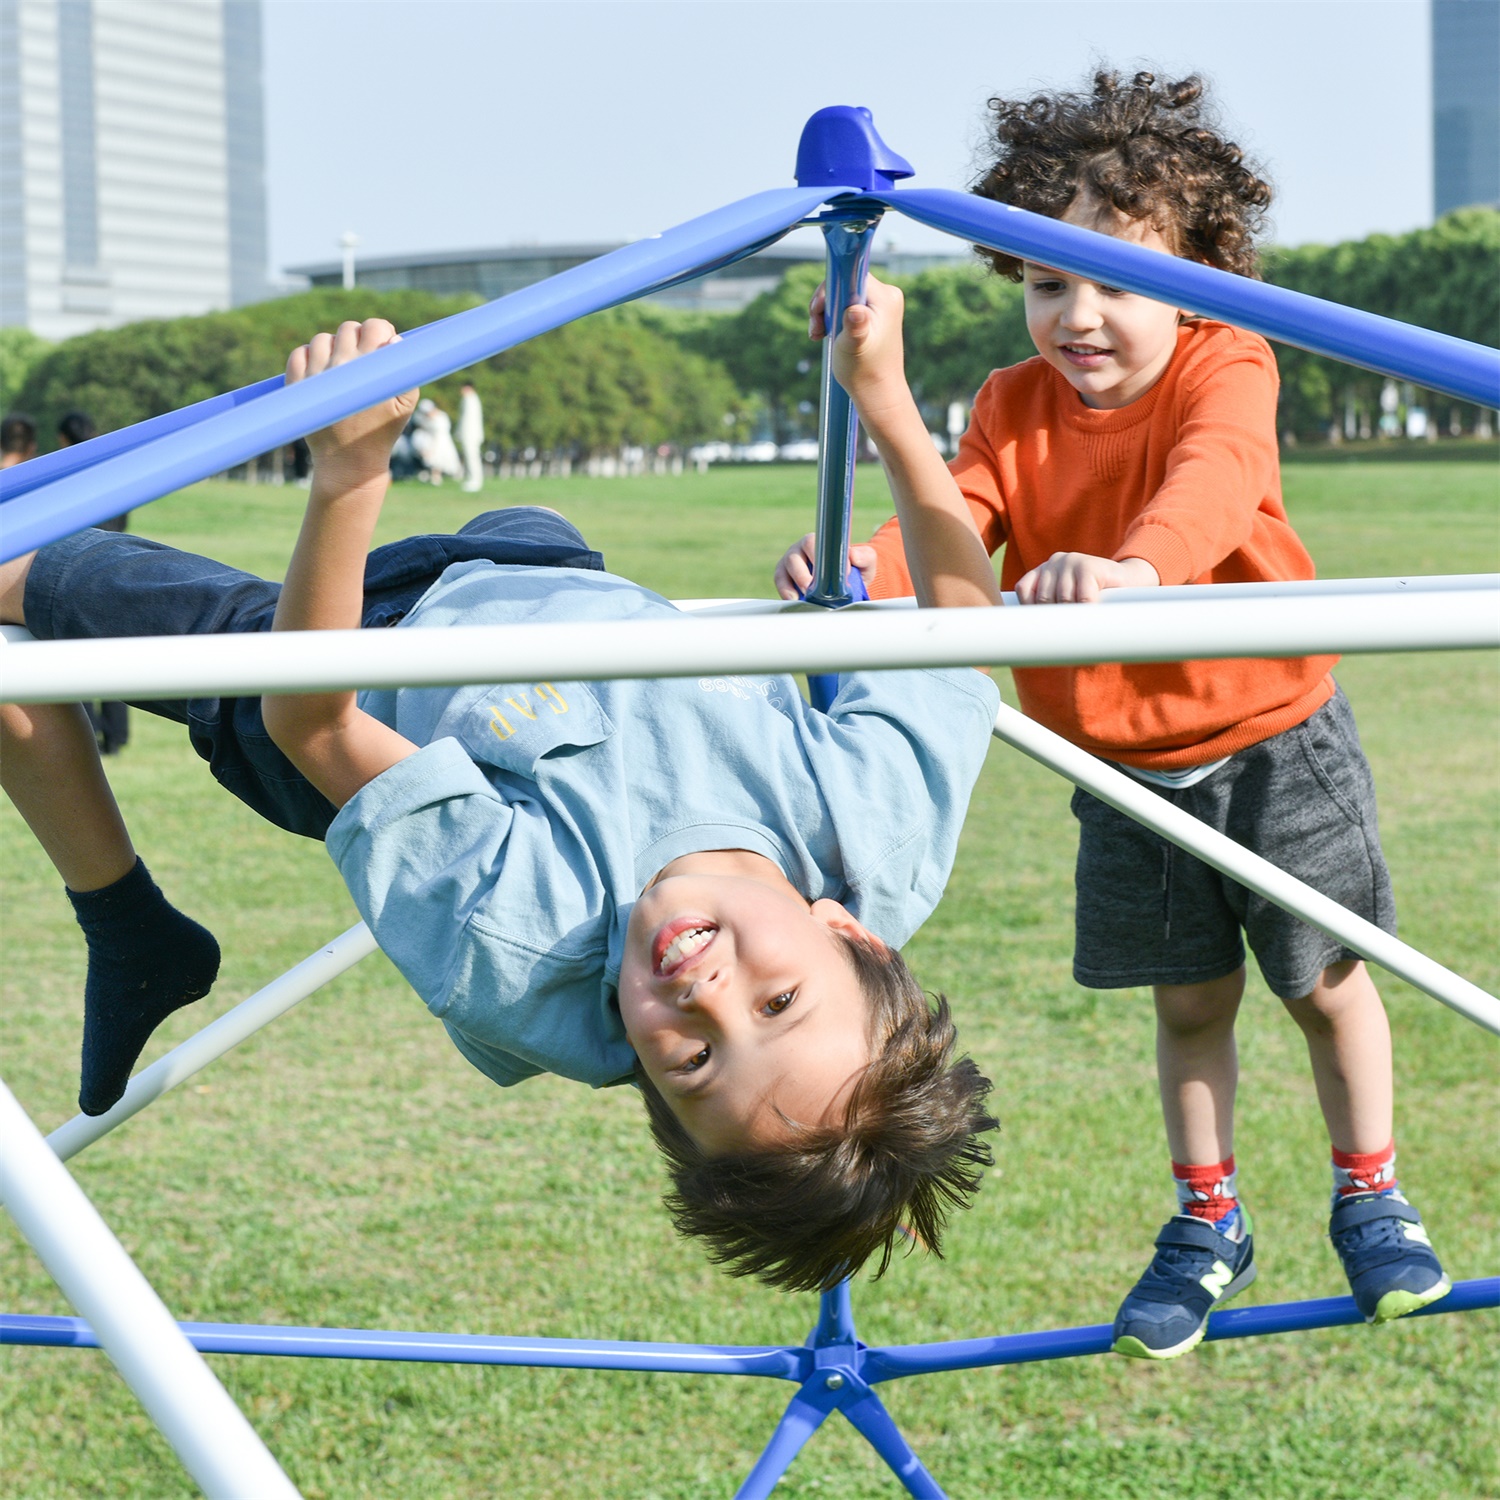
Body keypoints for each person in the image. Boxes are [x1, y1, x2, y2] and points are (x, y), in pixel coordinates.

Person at [0, 318, 1002, 1294]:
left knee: (17, 561)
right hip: (537, 570)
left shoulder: (521, 947)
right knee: (527, 528)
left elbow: (314, 720)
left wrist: (349, 474)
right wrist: (880, 393)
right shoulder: (882, 825)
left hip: (345, 670)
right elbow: (962, 624)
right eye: (779, 1003)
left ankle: (129, 925)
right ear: (851, 936)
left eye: (694, 1061)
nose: (707, 996)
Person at [775, 70, 1449, 1350]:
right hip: (1122, 770)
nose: (1078, 317)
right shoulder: (1009, 404)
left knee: (1327, 982)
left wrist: (1135, 571)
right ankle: (1208, 1221)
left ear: (1200, 276)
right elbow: (957, 517)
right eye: (1045, 281)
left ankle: (1373, 1195)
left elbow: (1214, 481)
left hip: (1271, 740)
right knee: (1187, 1002)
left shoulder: (1225, 362)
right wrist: (860, 568)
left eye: (1118, 282)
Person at [55, 411, 130, 755]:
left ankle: (89, 732)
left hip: (79, 566)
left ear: (63, 439)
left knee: (76, 655)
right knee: (113, 654)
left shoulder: (67, 473)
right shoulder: (113, 469)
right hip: (116, 562)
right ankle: (116, 735)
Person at [456, 381, 485, 493]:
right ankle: (471, 479)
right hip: (469, 434)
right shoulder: (469, 399)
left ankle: (475, 481)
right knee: (469, 457)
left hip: (471, 434)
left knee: (472, 457)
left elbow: (468, 420)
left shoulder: (470, 399)